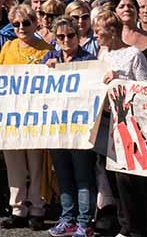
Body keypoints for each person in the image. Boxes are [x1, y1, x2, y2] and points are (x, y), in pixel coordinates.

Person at [0, 4, 52, 230]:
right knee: (14, 163)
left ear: (35, 23)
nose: (21, 27)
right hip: (11, 114)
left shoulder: (45, 48)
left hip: (36, 114)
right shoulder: (7, 47)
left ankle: (37, 207)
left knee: (36, 163)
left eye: (26, 23)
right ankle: (17, 208)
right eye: (16, 24)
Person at [95, 9, 147, 237]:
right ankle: (123, 224)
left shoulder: (133, 54)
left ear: (113, 31)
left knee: (126, 178)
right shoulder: (102, 53)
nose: (96, 36)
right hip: (107, 120)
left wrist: (120, 82)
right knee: (110, 175)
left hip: (128, 123)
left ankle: (136, 228)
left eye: (99, 31)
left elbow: (146, 88)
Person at [43, 17, 98, 237]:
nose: (66, 40)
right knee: (63, 174)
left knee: (83, 176)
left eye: (70, 35)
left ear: (78, 36)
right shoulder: (49, 57)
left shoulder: (88, 59)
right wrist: (47, 70)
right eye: (61, 36)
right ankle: (67, 218)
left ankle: (85, 222)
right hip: (56, 128)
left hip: (79, 129)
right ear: (55, 39)